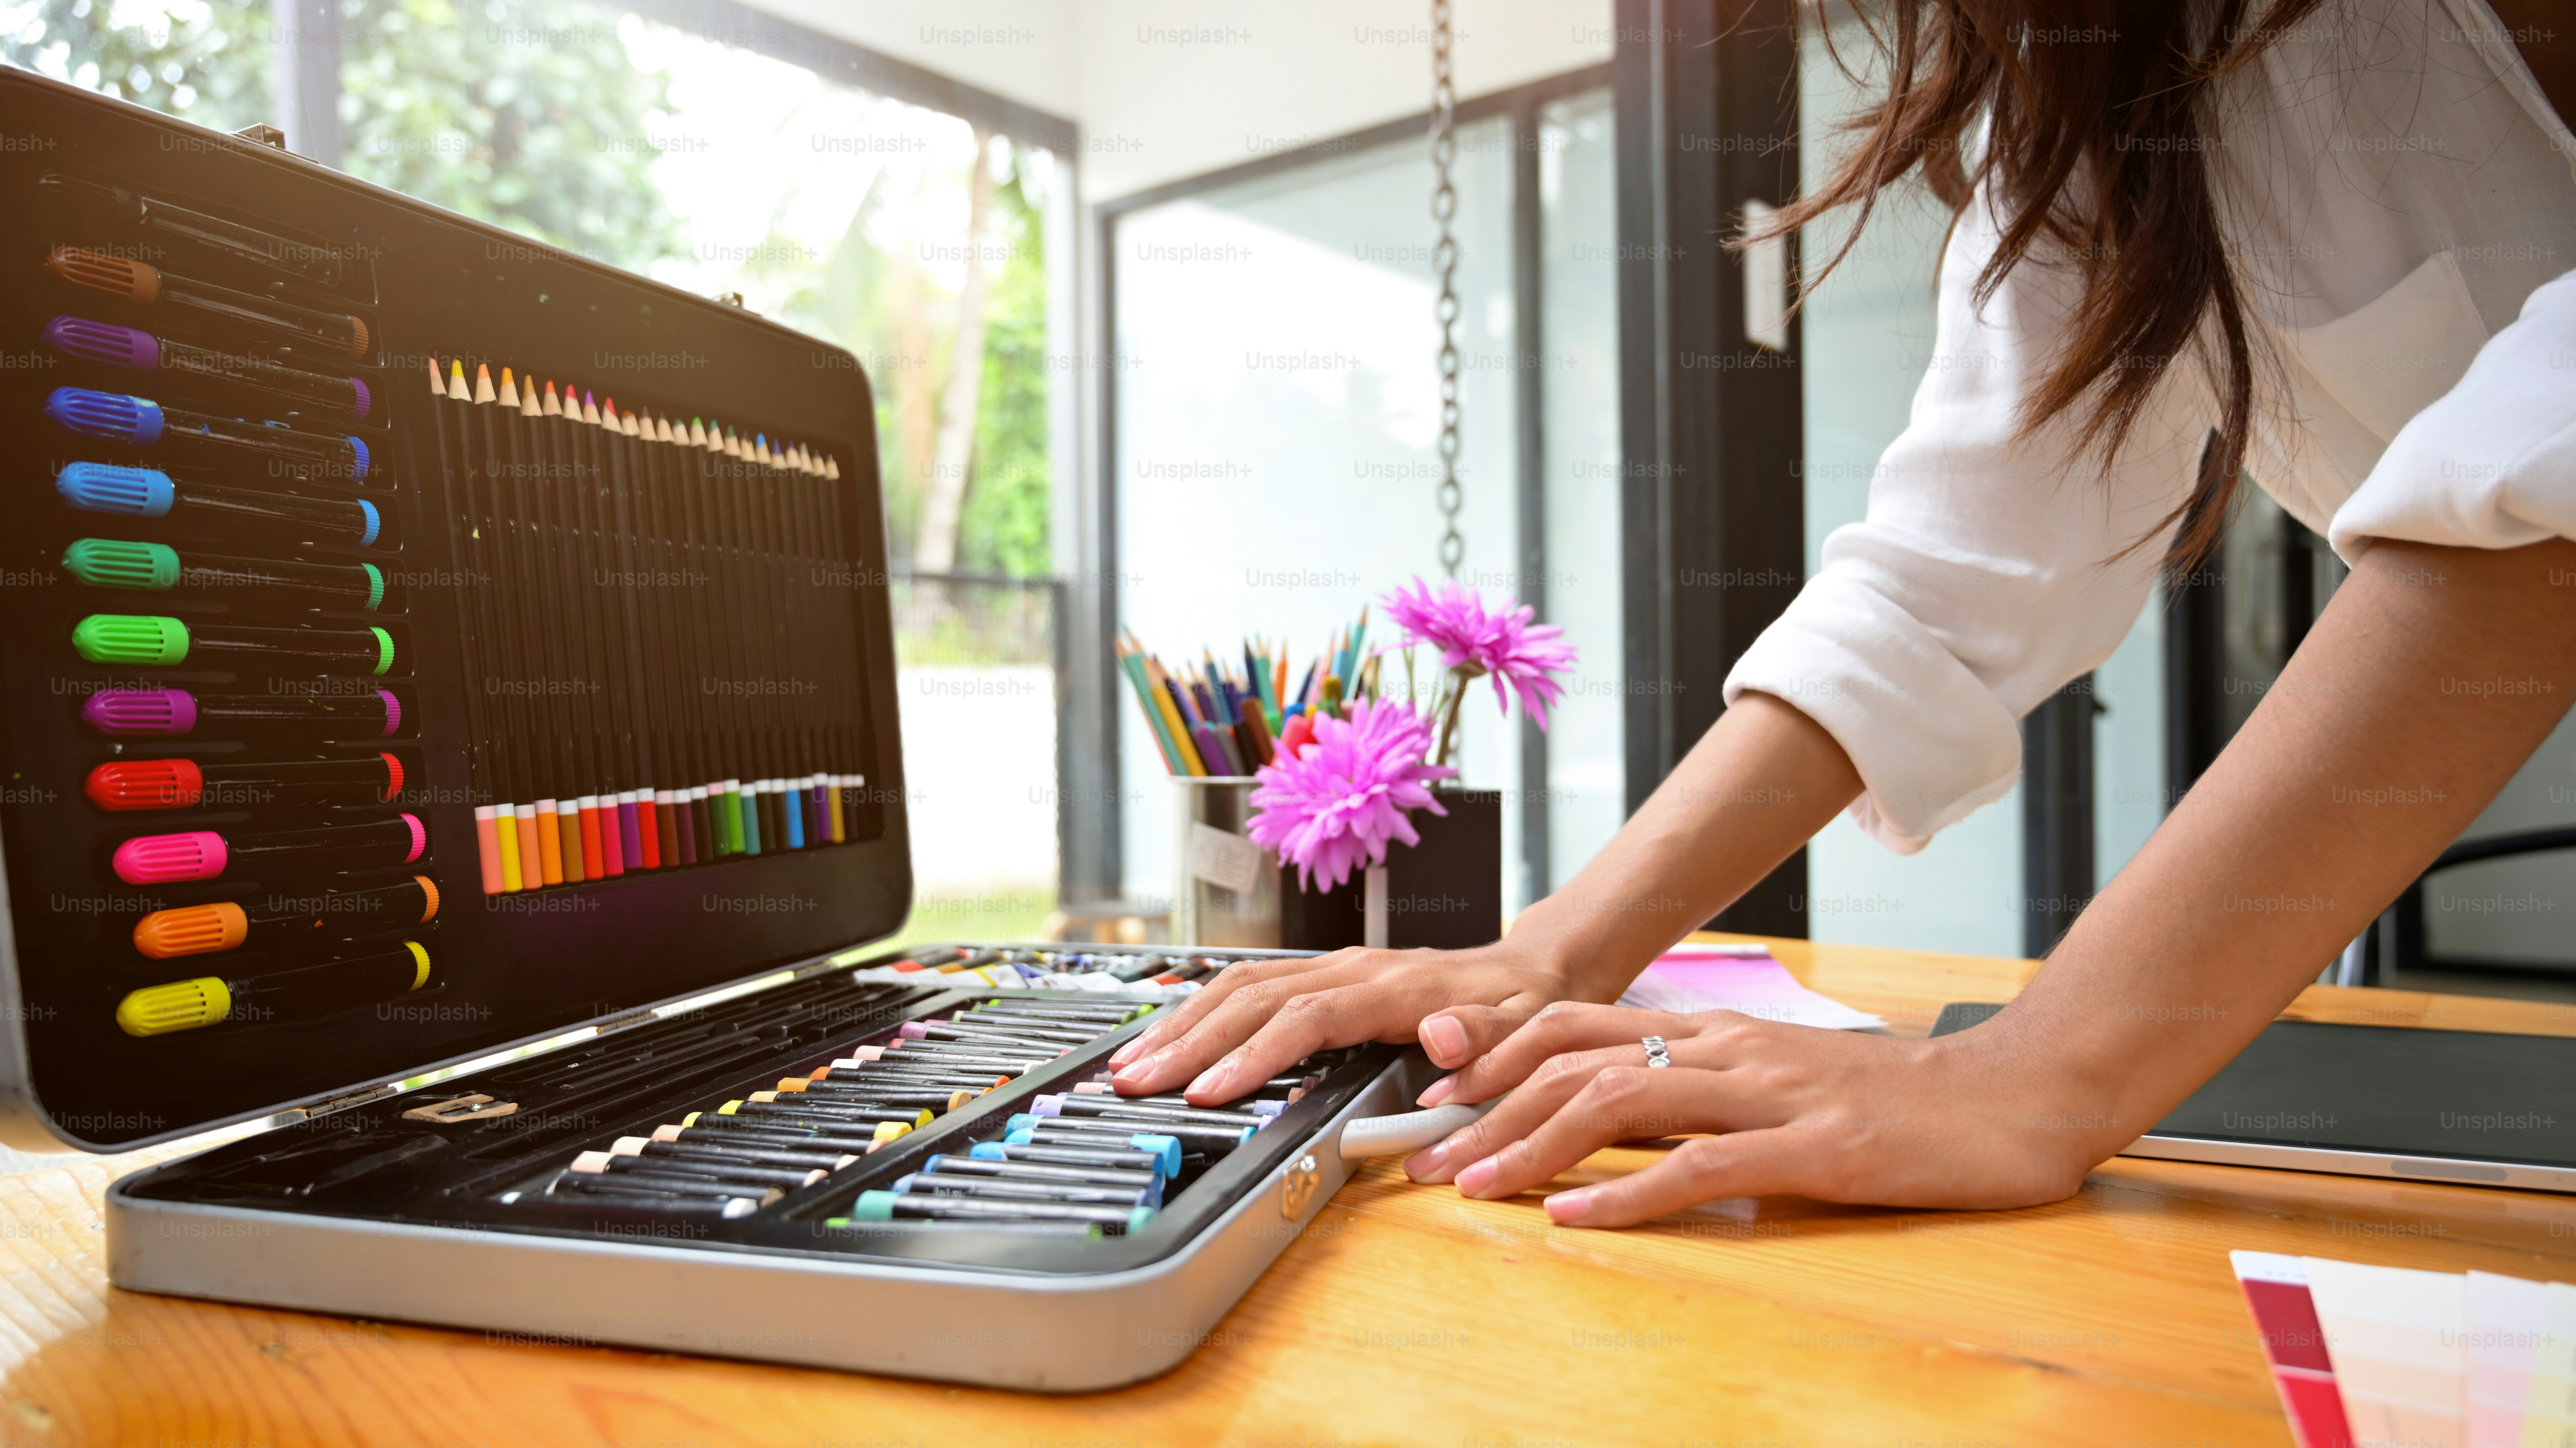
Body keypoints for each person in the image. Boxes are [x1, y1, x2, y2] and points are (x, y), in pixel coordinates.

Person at [1109, 0, 2576, 1226]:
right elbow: (1945, 573)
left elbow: (2542, 481)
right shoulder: (2091, 69)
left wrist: (2039, 1073)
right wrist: (1547, 949)